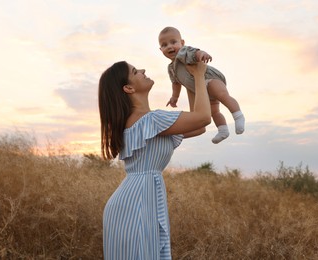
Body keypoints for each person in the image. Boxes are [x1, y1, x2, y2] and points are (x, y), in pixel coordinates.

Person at [98, 60, 211, 260]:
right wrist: (200, 75)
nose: (142, 70)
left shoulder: (142, 122)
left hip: (134, 199)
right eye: (135, 71)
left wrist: (190, 80)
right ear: (128, 88)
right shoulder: (152, 120)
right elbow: (203, 117)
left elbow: (198, 125)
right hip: (138, 202)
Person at [158, 26, 245, 144]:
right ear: (160, 49)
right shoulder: (171, 68)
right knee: (214, 112)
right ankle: (223, 130)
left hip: (209, 78)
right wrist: (175, 97)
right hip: (201, 91)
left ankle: (238, 116)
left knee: (222, 95)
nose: (169, 46)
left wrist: (202, 54)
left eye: (173, 42)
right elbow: (176, 83)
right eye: (164, 45)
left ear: (182, 43)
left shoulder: (184, 52)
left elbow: (195, 53)